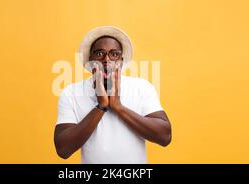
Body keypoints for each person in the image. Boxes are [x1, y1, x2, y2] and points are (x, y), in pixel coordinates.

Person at [54, 26, 172, 164]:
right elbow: (63, 149)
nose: (107, 59)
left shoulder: (142, 87)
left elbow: (165, 137)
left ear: (121, 61)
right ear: (90, 60)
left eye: (114, 54)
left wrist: (118, 106)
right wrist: (101, 106)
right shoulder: (71, 93)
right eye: (99, 54)